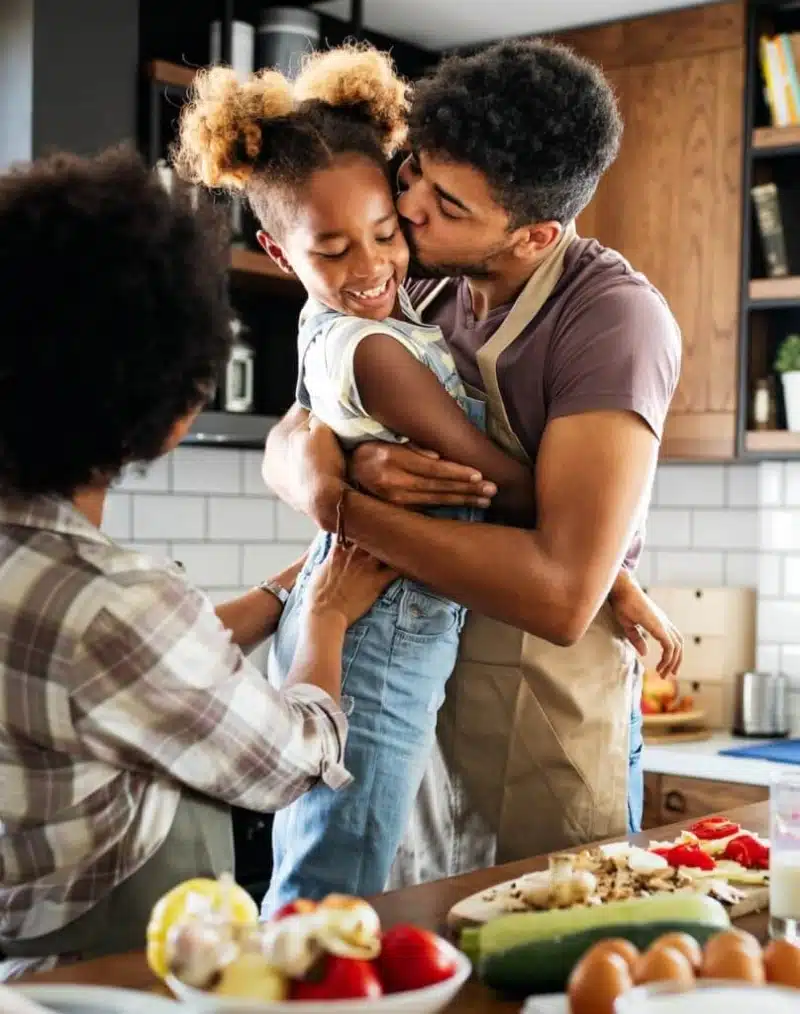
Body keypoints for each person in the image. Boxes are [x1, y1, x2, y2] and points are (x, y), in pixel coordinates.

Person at [173, 44, 681, 911]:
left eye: (443, 203)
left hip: (540, 718)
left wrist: (341, 502)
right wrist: (326, 463)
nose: (405, 210)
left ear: (536, 234)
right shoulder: (422, 285)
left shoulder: (612, 321)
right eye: (413, 174)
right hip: (417, 693)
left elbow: (562, 594)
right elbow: (308, 418)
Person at [0, 145, 395, 976]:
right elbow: (288, 759)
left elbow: (109, 677)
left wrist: (282, 592)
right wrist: (324, 621)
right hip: (115, 982)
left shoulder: (60, 584)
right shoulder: (115, 602)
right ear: (173, 407)